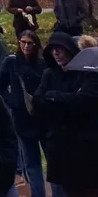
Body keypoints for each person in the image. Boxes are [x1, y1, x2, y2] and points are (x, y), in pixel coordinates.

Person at [33, 31, 98, 197]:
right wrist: (67, 100)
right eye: (52, 49)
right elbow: (38, 102)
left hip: (85, 150)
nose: (56, 53)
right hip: (59, 149)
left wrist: (53, 97)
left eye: (60, 48)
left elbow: (85, 101)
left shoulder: (87, 73)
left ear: (70, 49)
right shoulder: (49, 74)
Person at [0, 31, 47, 197]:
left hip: (43, 118)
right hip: (22, 119)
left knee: (52, 162)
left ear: (36, 45)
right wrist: (13, 101)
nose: (25, 46)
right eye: (23, 42)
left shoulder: (43, 63)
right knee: (31, 163)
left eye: (30, 43)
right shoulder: (11, 62)